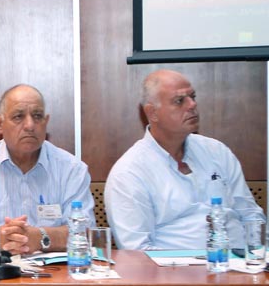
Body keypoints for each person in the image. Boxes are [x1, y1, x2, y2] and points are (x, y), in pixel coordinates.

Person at [105, 69, 264, 250]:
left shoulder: (216, 151)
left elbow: (251, 215)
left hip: (240, 261)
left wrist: (257, 257)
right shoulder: (129, 173)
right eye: (179, 101)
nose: (192, 105)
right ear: (152, 112)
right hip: (176, 266)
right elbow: (137, 251)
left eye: (192, 97)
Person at [0, 84, 93, 256]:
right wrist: (0, 238)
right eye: (18, 117)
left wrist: (40, 237)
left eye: (37, 116)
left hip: (56, 271)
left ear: (46, 122)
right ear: (0, 124)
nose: (30, 125)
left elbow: (86, 232)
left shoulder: (71, 169)